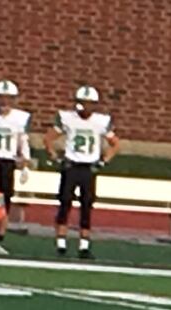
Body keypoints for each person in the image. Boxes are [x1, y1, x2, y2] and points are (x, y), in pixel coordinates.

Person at [44, 85, 119, 259]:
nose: (85, 106)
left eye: (89, 103)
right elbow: (48, 138)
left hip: (88, 167)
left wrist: (102, 162)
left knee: (86, 206)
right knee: (65, 203)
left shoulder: (100, 121)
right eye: (82, 102)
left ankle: (84, 244)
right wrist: (55, 156)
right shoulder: (67, 118)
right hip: (71, 165)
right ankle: (61, 242)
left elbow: (115, 143)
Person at [0, 79, 31, 255]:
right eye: (1, 97)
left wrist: (25, 163)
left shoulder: (20, 118)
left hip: (7, 161)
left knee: (4, 200)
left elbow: (22, 140)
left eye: (8, 98)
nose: (4, 102)